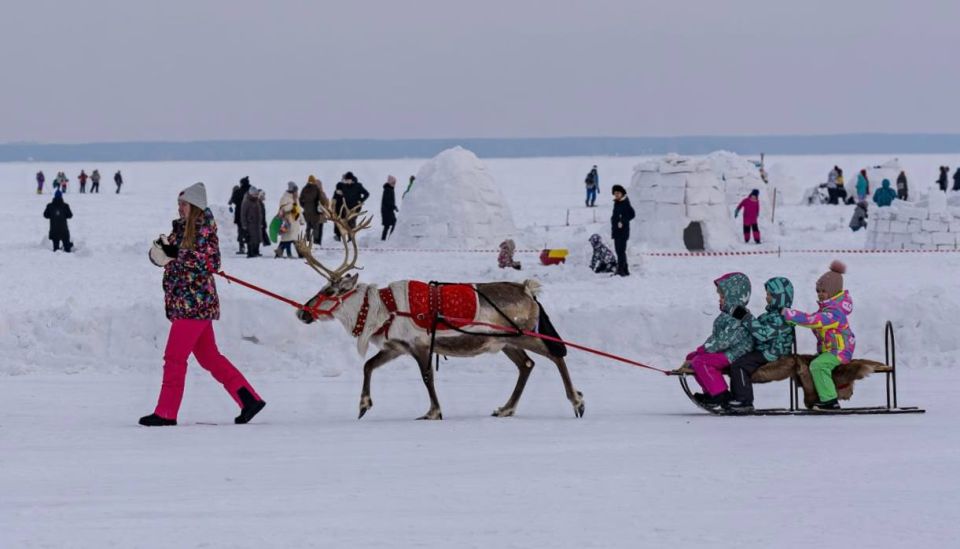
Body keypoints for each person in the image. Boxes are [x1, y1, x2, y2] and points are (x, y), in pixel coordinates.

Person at [139, 182, 266, 426]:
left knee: (174, 358)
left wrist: (176, 253)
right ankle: (249, 399)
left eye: (184, 204)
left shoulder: (203, 229)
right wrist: (159, 254)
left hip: (194, 306)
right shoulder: (181, 229)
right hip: (184, 304)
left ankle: (166, 412)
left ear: (195, 206)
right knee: (209, 358)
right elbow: (170, 257)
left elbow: (210, 262)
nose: (180, 208)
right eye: (178, 204)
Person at [783, 261, 855, 411]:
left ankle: (830, 401)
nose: (820, 294)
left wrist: (790, 314)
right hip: (830, 350)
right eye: (818, 291)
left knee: (819, 365)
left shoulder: (834, 313)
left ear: (834, 292)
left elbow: (813, 321)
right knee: (812, 364)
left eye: (824, 291)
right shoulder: (826, 309)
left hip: (840, 351)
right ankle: (819, 396)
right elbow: (811, 320)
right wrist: (792, 321)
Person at [724, 277, 795, 412]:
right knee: (737, 361)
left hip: (774, 353)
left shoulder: (782, 318)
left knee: (740, 365)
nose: (766, 297)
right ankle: (735, 397)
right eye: (767, 294)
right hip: (764, 351)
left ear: (779, 297)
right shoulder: (770, 315)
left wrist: (746, 317)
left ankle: (744, 400)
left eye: (770, 294)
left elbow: (763, 334)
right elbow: (756, 330)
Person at [684, 273, 754, 408]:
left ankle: (720, 394)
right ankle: (711, 391)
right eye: (720, 297)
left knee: (701, 361)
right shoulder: (727, 315)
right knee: (693, 357)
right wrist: (703, 349)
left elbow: (723, 341)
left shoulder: (738, 316)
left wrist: (704, 350)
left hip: (737, 354)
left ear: (734, 297)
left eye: (723, 297)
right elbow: (716, 338)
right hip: (728, 351)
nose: (720, 300)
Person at [333, 171, 370, 241]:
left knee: (352, 221)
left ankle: (351, 238)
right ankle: (347, 237)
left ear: (351, 179)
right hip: (346, 207)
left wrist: (361, 200)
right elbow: (339, 192)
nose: (347, 181)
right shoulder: (344, 186)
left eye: (348, 180)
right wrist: (338, 192)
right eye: (346, 180)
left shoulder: (358, 186)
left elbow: (367, 193)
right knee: (346, 222)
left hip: (355, 208)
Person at [610, 184, 635, 277]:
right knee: (619, 251)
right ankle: (624, 269)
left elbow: (632, 214)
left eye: (618, 193)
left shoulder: (625, 202)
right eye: (615, 193)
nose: (616, 195)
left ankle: (621, 270)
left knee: (620, 251)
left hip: (622, 231)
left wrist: (623, 221)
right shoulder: (617, 202)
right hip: (617, 231)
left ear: (622, 193)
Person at [275, 181, 304, 258]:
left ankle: (301, 254)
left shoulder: (295, 198)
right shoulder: (284, 198)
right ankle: (279, 253)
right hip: (288, 222)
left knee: (295, 239)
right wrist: (293, 204)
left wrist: (302, 220)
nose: (297, 192)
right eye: (296, 190)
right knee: (286, 240)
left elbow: (298, 210)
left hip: (295, 222)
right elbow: (284, 208)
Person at [299, 175, 329, 245]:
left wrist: (304, 206)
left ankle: (308, 241)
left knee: (308, 227)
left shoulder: (304, 189)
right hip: (317, 214)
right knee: (317, 229)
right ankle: (316, 243)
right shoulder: (318, 190)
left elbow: (300, 200)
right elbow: (324, 201)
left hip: (308, 213)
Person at [228, 176, 252, 254]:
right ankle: (250, 248)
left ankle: (242, 248)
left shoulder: (238, 191)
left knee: (241, 231)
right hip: (250, 214)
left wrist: (234, 192)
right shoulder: (251, 190)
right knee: (250, 231)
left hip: (239, 215)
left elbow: (233, 201)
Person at [240, 186, 263, 257]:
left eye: (256, 194)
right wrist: (244, 225)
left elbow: (259, 212)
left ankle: (256, 251)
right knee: (250, 239)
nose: (256, 196)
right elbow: (243, 214)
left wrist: (261, 221)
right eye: (255, 194)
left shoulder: (256, 201)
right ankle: (250, 252)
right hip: (250, 223)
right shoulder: (246, 201)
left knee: (257, 238)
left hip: (257, 223)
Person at [380, 175, 399, 240]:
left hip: (388, 210)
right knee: (394, 223)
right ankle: (390, 238)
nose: (394, 184)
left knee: (387, 226)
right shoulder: (388, 190)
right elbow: (388, 201)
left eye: (395, 183)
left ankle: (384, 239)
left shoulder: (390, 189)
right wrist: (394, 207)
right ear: (390, 183)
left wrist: (394, 207)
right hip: (387, 211)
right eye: (393, 183)